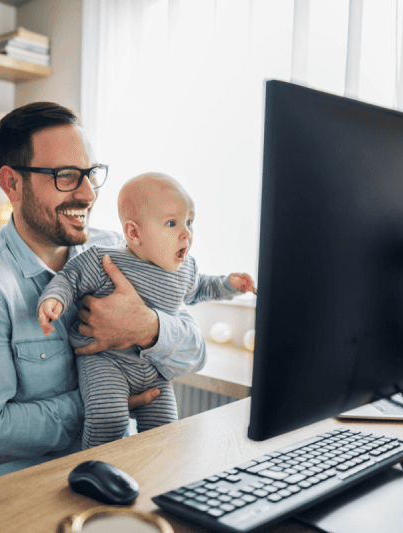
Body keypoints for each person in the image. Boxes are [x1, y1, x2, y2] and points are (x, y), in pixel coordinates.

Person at [0, 102, 209, 483]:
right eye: (65, 175)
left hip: (122, 479)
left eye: (90, 174)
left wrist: (148, 327)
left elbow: (196, 353)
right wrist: (99, 403)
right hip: (27, 500)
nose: (88, 194)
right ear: (12, 183)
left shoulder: (119, 253)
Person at [37, 172, 257, 449]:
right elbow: (70, 278)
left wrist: (230, 284)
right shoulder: (106, 258)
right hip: (107, 363)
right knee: (109, 420)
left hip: (154, 367)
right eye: (171, 223)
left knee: (166, 428)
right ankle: (95, 471)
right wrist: (54, 299)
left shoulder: (184, 268)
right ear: (134, 233)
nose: (186, 232)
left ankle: (155, 479)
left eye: (189, 222)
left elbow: (201, 289)